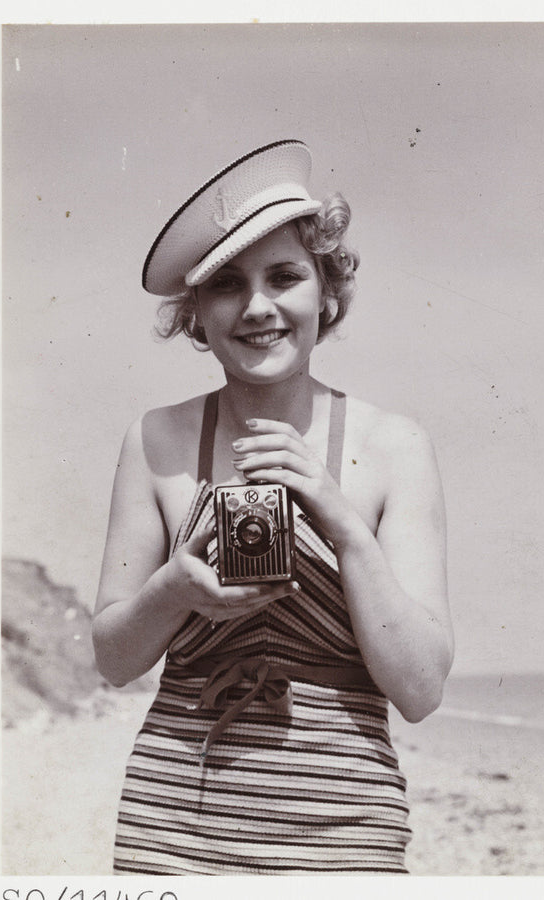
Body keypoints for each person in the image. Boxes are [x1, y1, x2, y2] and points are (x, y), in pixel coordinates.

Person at [93, 139, 454, 875]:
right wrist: (176, 590)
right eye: (226, 284)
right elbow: (112, 660)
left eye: (283, 276)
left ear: (326, 291)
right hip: (175, 821)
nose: (257, 307)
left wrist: (339, 519)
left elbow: (418, 690)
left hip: (345, 827)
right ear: (196, 315)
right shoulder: (157, 438)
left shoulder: (393, 446)